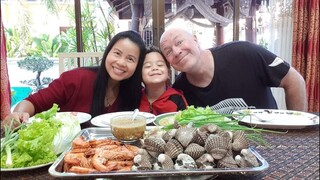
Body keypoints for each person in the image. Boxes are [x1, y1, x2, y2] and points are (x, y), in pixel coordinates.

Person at [3, 30, 146, 128]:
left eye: (130, 59)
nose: (121, 62)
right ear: (108, 53)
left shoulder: (135, 93)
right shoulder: (76, 79)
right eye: (117, 53)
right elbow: (33, 103)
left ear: (137, 65)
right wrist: (19, 114)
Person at [159, 28, 307, 111]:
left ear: (195, 39)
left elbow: (294, 81)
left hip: (271, 142)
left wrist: (296, 135)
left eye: (179, 42)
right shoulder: (180, 89)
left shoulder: (243, 53)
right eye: (168, 51)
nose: (176, 51)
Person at [139, 46, 188, 115]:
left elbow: (186, 123)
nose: (155, 68)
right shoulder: (136, 97)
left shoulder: (177, 98)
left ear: (168, 73)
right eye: (148, 66)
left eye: (159, 65)